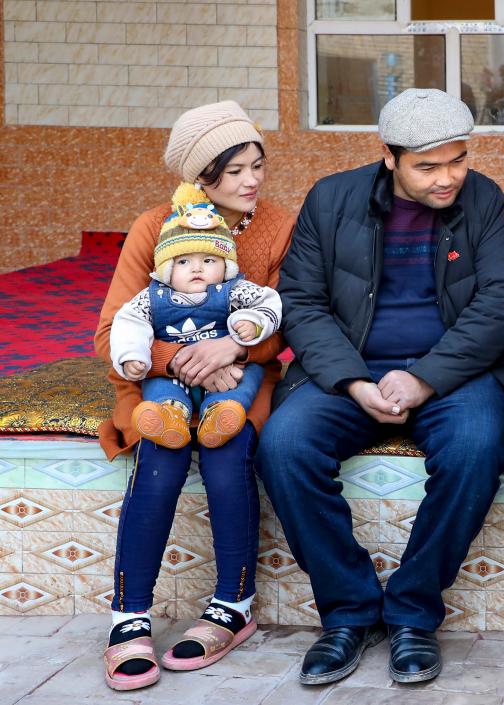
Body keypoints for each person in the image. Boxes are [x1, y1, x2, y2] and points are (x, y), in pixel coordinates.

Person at [256, 88, 504, 686]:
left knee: (475, 448)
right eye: (428, 167)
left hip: (453, 372)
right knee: (284, 445)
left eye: (458, 160)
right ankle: (348, 612)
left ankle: (412, 612)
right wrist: (354, 381)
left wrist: (425, 377)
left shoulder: (483, 198)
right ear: (389, 157)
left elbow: (499, 302)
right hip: (350, 369)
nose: (447, 178)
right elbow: (301, 302)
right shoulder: (331, 199)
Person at [94, 100, 295, 691]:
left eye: (257, 165)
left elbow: (288, 318)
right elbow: (112, 330)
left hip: (242, 379)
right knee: (161, 452)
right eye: (234, 171)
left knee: (227, 450)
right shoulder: (153, 226)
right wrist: (185, 360)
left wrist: (232, 350)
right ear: (200, 176)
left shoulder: (279, 225)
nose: (252, 181)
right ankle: (129, 617)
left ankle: (233, 605)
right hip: (159, 382)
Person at [109, 186, 282, 450]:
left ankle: (220, 416)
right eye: (183, 262)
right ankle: (169, 416)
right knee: (158, 386)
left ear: (226, 266)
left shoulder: (234, 290)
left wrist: (253, 322)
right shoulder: (152, 297)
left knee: (245, 380)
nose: (197, 268)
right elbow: (128, 323)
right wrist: (132, 355)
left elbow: (269, 302)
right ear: (166, 269)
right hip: (172, 373)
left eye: (209, 260)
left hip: (227, 369)